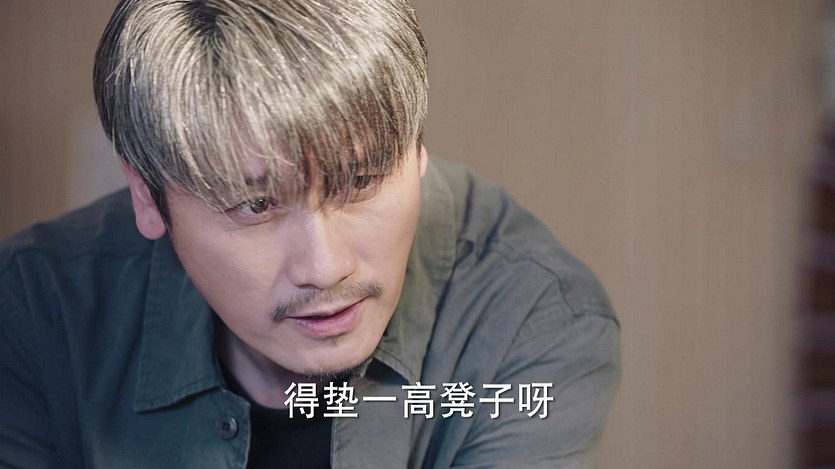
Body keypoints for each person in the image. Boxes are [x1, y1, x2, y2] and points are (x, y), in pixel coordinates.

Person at [0, 0, 620, 467]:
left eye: (360, 181)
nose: (325, 268)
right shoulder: (33, 309)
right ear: (148, 196)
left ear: (417, 151)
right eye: (255, 205)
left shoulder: (534, 318)